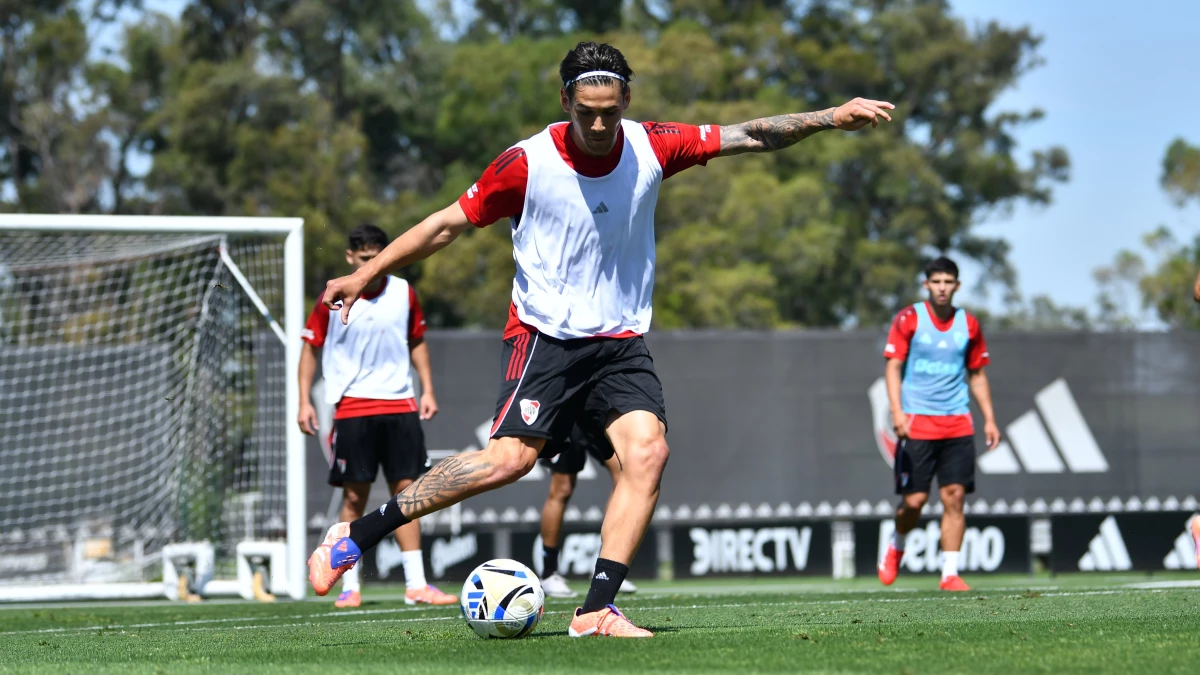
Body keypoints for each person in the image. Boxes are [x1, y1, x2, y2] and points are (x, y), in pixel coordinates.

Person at [308, 41, 894, 638]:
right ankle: (356, 535)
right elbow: (446, 225)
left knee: (648, 453)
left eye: (609, 111)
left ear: (627, 101)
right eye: (584, 109)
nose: (596, 123)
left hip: (619, 343)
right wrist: (365, 274)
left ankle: (595, 611)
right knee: (508, 462)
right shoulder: (526, 163)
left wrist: (830, 117)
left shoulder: (652, 145)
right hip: (547, 337)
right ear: (565, 100)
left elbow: (750, 135)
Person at [298, 223, 457, 608]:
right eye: (365, 258)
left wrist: (428, 388)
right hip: (353, 405)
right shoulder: (331, 298)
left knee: (410, 494)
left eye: (378, 257)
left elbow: (416, 340)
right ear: (351, 258)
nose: (372, 265)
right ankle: (350, 587)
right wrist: (304, 399)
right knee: (354, 496)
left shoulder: (404, 293)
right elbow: (310, 349)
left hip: (400, 403)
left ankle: (416, 584)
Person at [876, 257, 1000, 592]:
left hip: (957, 422)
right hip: (917, 422)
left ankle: (949, 574)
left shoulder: (969, 325)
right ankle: (897, 544)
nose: (942, 287)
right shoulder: (909, 319)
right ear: (926, 285)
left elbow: (977, 375)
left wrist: (989, 418)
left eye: (948, 281)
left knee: (954, 496)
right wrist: (897, 412)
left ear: (957, 286)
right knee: (914, 501)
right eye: (937, 281)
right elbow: (892, 367)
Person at [537, 425, 638, 599]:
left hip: (594, 412)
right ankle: (548, 573)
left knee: (623, 474)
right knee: (562, 488)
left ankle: (606, 564)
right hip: (567, 414)